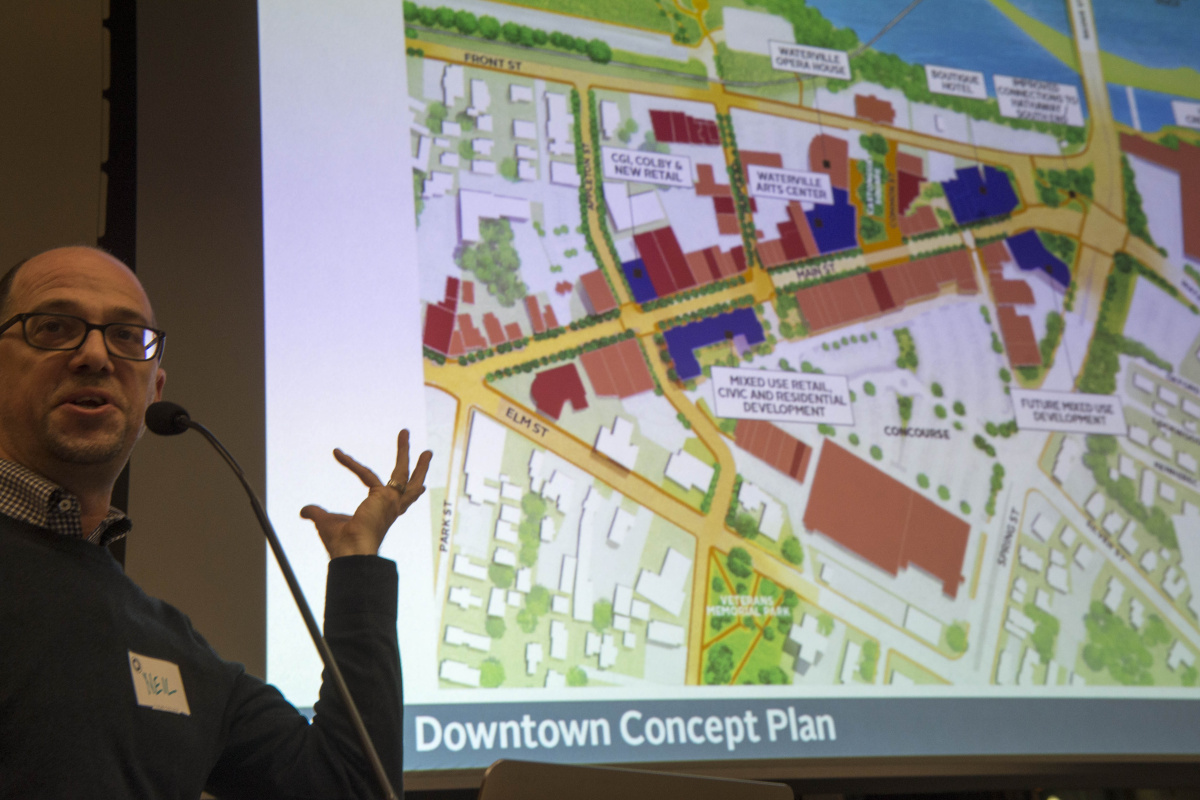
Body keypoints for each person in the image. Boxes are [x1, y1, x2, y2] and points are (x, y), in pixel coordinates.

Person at [0, 246, 431, 797]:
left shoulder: (168, 647)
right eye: (54, 327)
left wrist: (358, 564)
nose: (95, 355)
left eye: (126, 336)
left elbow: (350, 788)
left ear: (154, 392)